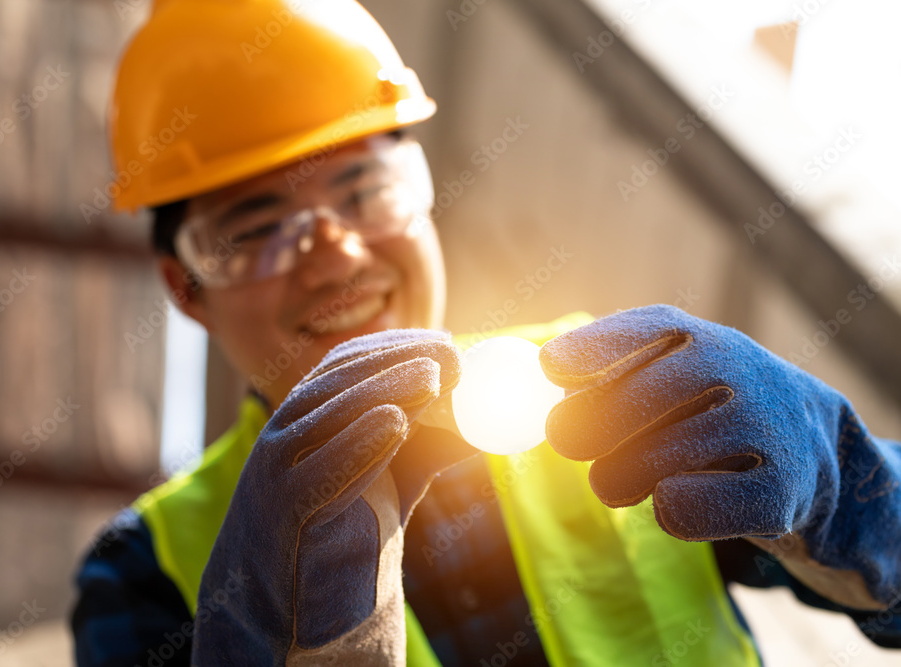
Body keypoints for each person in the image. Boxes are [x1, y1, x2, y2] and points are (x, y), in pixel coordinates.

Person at [71, 1, 901, 664]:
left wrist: (845, 489)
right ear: (186, 287)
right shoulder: (146, 571)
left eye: (366, 189)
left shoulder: (625, 392)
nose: (336, 258)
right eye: (255, 230)